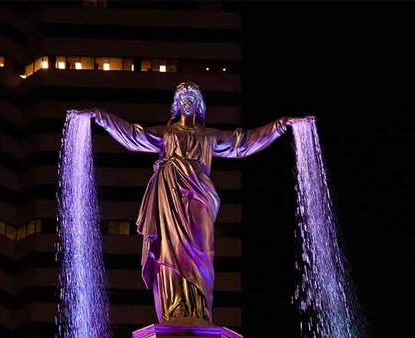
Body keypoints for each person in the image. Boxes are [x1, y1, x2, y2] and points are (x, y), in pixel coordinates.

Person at [93, 85, 293, 324]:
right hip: (170, 196)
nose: (187, 101)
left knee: (202, 254)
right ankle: (173, 310)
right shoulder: (167, 134)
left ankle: (199, 312)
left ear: (199, 105)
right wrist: (100, 117)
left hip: (200, 197)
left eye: (192, 98)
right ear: (176, 104)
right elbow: (134, 136)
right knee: (170, 251)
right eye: (182, 98)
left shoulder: (208, 136)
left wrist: (280, 126)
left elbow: (244, 142)